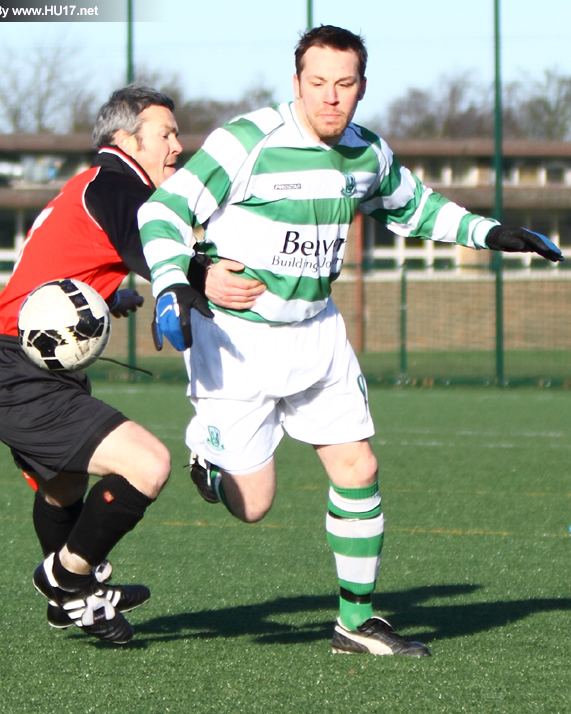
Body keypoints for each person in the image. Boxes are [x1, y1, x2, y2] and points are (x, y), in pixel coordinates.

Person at [138, 26, 563, 657]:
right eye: (318, 84)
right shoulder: (246, 142)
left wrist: (493, 233)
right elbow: (162, 211)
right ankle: (210, 457)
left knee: (358, 466)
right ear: (296, 84)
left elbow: (415, 207)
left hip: (317, 333)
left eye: (344, 85)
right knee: (253, 506)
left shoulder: (367, 152)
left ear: (361, 87)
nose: (330, 98)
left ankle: (354, 621)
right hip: (238, 341)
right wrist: (177, 281)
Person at [0, 84, 263, 645]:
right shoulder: (118, 185)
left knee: (61, 488)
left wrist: (107, 296)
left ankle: (73, 603)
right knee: (148, 465)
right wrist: (204, 278)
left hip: (20, 366)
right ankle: (64, 579)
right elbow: (154, 251)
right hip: (21, 374)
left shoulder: (94, 185)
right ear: (126, 139)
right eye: (166, 134)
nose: (178, 146)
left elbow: (59, 264)